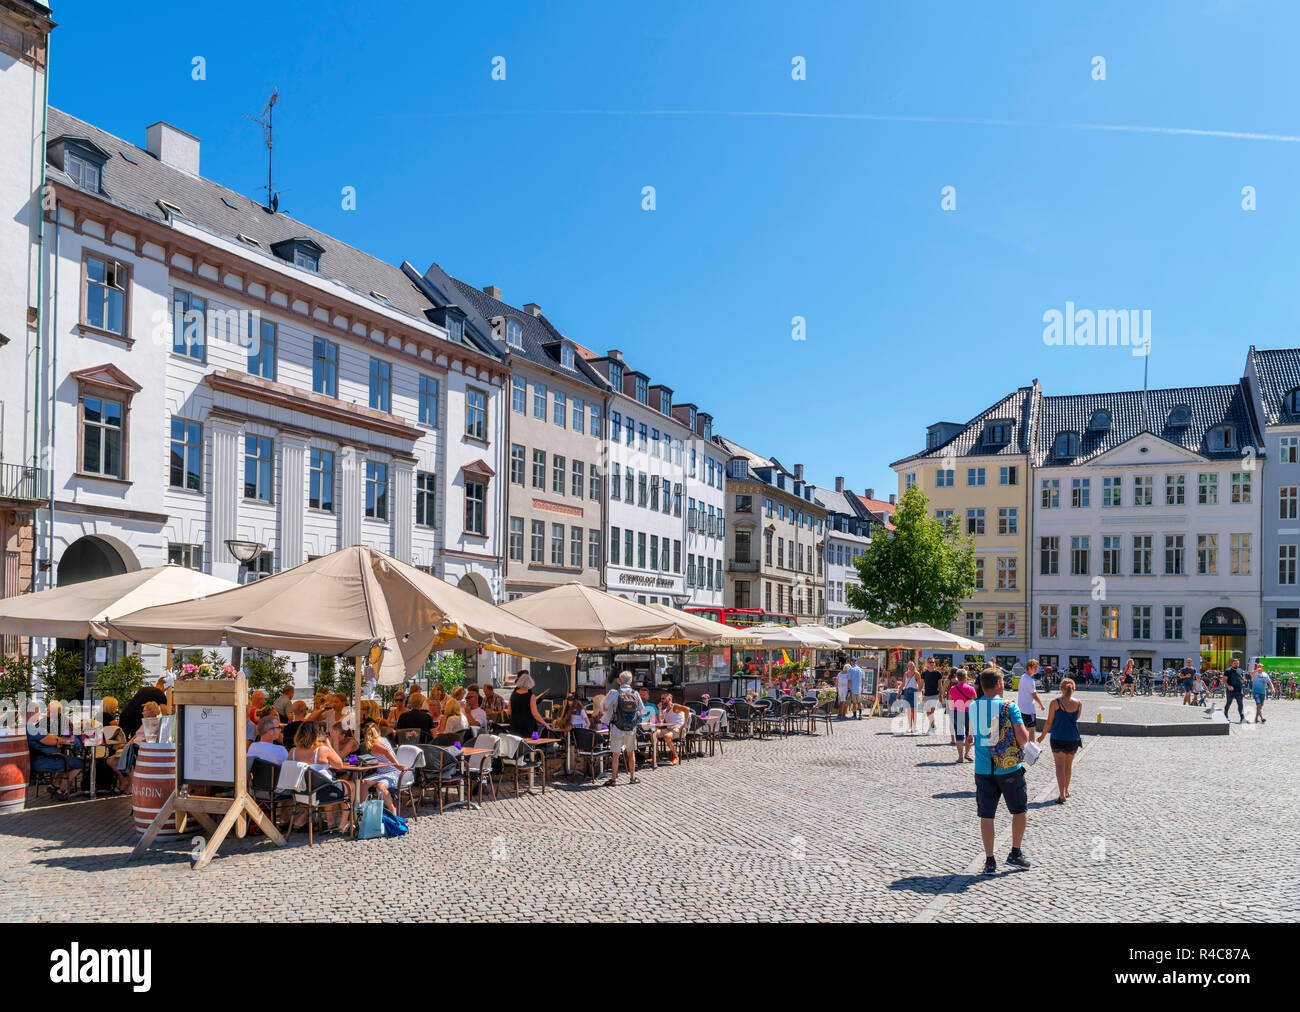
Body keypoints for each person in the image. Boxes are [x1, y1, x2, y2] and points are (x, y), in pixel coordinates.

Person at [970, 667, 1031, 873]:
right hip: (1009, 768)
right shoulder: (1009, 707)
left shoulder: (974, 706)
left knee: (987, 815)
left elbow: (984, 735)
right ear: (998, 684)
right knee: (1019, 810)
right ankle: (1015, 852)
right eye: (1003, 682)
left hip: (983, 768)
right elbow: (1023, 739)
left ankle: (990, 860)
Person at [286, 722, 354, 833]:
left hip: (301, 793)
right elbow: (339, 765)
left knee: (329, 784)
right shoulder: (322, 750)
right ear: (317, 735)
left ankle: (330, 822)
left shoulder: (293, 752)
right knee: (351, 785)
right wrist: (328, 745)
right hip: (322, 794)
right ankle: (343, 823)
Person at [1038, 677, 1082, 803]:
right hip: (1073, 737)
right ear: (1073, 689)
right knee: (1068, 766)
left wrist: (1042, 736)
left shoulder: (1055, 703)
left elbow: (1049, 722)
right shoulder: (1079, 703)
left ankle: (1061, 794)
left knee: (1059, 766)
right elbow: (1077, 717)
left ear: (1061, 689)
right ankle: (1066, 791)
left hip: (1058, 737)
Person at [27, 701, 82, 800]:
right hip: (46, 755)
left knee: (64, 760)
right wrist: (56, 739)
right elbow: (49, 739)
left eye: (49, 709)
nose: (46, 711)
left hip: (48, 753)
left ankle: (55, 785)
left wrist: (57, 738)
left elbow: (67, 734)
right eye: (46, 709)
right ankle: (60, 790)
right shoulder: (43, 721)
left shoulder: (64, 721)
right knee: (75, 763)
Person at [602, 672, 645, 786]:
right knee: (631, 754)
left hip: (617, 727)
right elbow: (641, 711)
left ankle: (613, 779)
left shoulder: (615, 693)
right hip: (631, 729)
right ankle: (632, 778)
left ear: (619, 681)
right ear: (631, 682)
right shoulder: (635, 693)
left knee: (615, 755)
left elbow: (605, 708)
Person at [358, 722, 406, 815]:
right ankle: (363, 811)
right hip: (382, 772)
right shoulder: (382, 739)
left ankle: (392, 810)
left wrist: (397, 765)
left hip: (392, 772)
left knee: (380, 787)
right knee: (363, 783)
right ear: (378, 731)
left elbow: (386, 751)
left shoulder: (374, 744)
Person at [507, 672, 553, 738]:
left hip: (514, 726)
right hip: (526, 726)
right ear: (531, 683)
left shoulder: (513, 695)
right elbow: (535, 714)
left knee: (515, 746)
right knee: (527, 746)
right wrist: (545, 724)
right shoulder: (531, 696)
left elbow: (509, 712)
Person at [948, 668, 977, 763]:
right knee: (969, 734)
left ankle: (960, 757)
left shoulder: (952, 689)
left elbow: (950, 702)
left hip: (957, 712)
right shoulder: (971, 688)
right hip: (969, 713)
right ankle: (967, 753)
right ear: (965, 678)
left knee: (959, 735)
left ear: (957, 677)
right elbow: (974, 701)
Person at [655, 692, 687, 765]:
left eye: (663, 698)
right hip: (669, 729)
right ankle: (656, 757)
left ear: (669, 699)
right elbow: (660, 722)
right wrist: (659, 709)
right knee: (653, 734)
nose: (661, 700)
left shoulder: (675, 707)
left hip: (678, 729)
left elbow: (687, 709)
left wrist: (684, 724)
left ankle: (676, 756)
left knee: (667, 736)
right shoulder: (665, 710)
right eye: (661, 698)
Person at [1016, 659, 1045, 737]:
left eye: (1037, 667)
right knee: (1032, 729)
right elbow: (1034, 695)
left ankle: (1025, 746)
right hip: (1029, 709)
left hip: (1021, 708)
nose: (1036, 669)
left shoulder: (1023, 677)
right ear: (1029, 667)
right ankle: (1031, 747)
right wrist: (1041, 705)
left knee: (1025, 728)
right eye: (1034, 667)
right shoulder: (1030, 680)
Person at [920, 657, 943, 732]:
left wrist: (941, 696)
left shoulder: (938, 673)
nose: (931, 664)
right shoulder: (924, 673)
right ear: (927, 664)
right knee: (928, 712)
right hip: (926, 695)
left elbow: (940, 685)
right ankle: (933, 725)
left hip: (934, 695)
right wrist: (918, 693)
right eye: (930, 662)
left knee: (932, 712)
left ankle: (930, 728)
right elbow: (921, 684)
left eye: (933, 662)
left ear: (934, 664)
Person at [900, 661, 920, 734]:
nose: (910, 667)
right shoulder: (905, 674)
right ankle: (910, 727)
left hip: (914, 691)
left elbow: (920, 684)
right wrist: (899, 692)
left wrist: (919, 694)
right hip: (907, 692)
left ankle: (914, 726)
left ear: (914, 666)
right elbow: (903, 683)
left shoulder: (916, 674)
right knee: (908, 710)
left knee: (914, 710)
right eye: (909, 666)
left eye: (911, 666)